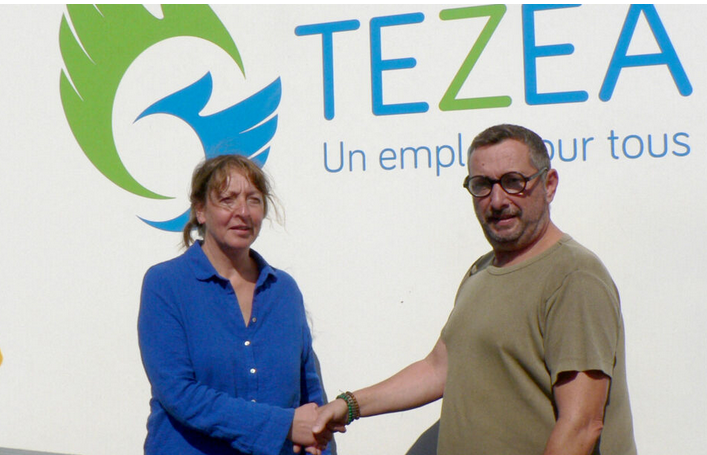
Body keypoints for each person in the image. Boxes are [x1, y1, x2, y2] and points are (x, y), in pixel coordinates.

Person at [313, 124, 637, 454]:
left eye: (514, 182)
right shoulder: (482, 271)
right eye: (482, 185)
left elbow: (581, 425)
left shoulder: (574, 276)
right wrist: (349, 405)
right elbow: (439, 368)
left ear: (549, 184)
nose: (497, 200)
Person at [138, 155, 331, 455]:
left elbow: (311, 395)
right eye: (228, 200)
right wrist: (282, 425)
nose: (243, 212)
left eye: (253, 200)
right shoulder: (165, 284)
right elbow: (179, 394)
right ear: (200, 210)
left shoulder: (284, 290)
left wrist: (319, 439)